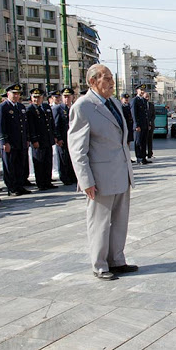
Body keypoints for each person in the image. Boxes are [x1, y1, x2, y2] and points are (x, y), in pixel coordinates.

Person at [68, 64, 136, 281]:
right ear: (92, 82)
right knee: (99, 222)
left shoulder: (114, 103)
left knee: (120, 220)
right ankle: (99, 265)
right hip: (100, 177)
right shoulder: (83, 106)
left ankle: (117, 260)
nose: (111, 83)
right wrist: (85, 179)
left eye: (111, 78)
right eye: (106, 78)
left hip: (121, 173)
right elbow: (78, 149)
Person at [0, 84, 31, 196]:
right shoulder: (3, 107)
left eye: (18, 94)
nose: (16, 96)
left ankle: (20, 186)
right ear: (8, 94)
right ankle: (12, 188)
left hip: (20, 141)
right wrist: (3, 142)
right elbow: (0, 126)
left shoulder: (20, 107)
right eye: (14, 93)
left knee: (20, 165)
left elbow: (24, 125)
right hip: (10, 142)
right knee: (10, 166)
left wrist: (27, 139)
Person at [27, 89, 58, 191]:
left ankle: (48, 181)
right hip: (38, 140)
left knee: (48, 161)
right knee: (39, 162)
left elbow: (51, 123)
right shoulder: (30, 109)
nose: (36, 99)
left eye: (38, 97)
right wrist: (34, 140)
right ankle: (41, 183)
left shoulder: (45, 107)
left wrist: (54, 135)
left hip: (47, 139)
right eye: (34, 97)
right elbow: (31, 127)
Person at [52, 87, 77, 185]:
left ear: (72, 97)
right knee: (63, 158)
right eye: (65, 97)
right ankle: (64, 177)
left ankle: (73, 176)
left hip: (73, 139)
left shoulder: (74, 108)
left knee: (72, 158)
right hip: (63, 138)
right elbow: (56, 124)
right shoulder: (58, 108)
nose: (67, 99)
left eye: (68, 97)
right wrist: (58, 138)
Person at [130, 84, 150, 164]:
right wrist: (136, 125)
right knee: (138, 142)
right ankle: (139, 158)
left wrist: (148, 124)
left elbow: (146, 114)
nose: (142, 92)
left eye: (143, 90)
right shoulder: (135, 100)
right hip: (138, 125)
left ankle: (144, 157)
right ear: (137, 91)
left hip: (144, 124)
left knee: (144, 141)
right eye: (140, 90)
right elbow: (134, 114)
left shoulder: (144, 100)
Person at [144, 92, 155, 159]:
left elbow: (153, 115)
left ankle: (150, 154)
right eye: (146, 97)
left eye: (148, 96)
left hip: (151, 125)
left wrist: (150, 123)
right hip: (144, 125)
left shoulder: (151, 105)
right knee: (144, 140)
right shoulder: (142, 105)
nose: (147, 98)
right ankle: (144, 153)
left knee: (150, 140)